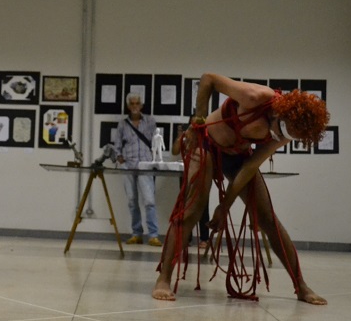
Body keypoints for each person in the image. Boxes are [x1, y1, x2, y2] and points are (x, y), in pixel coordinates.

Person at [152, 73, 329, 304]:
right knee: (191, 211)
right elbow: (208, 79)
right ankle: (163, 278)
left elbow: (250, 167)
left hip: (237, 157)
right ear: (280, 113)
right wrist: (198, 120)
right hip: (207, 145)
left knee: (267, 219)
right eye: (281, 130)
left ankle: (301, 285)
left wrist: (224, 207)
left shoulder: (287, 130)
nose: (278, 137)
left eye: (287, 137)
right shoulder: (255, 97)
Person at [113, 93, 162, 247]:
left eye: (137, 103)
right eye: (132, 103)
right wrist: (119, 156)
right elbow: (117, 145)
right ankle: (137, 234)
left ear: (141, 105)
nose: (134, 106)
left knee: (149, 201)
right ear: (128, 106)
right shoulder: (123, 124)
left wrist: (156, 160)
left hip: (145, 165)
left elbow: (156, 142)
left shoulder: (150, 121)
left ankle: (153, 235)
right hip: (128, 165)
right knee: (132, 201)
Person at [171, 118, 210, 251]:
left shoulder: (207, 140)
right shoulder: (187, 138)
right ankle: (186, 238)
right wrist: (180, 136)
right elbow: (175, 151)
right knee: (184, 205)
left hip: (202, 176)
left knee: (203, 207)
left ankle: (204, 238)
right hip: (186, 174)